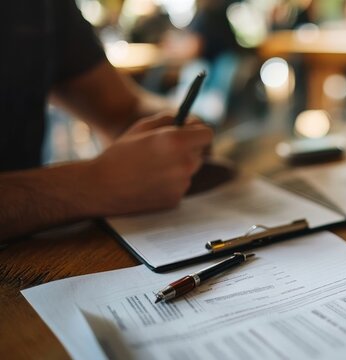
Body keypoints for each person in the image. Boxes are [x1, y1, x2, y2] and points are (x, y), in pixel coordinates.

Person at [0, 1, 214, 239]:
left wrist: (176, 127)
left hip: (33, 249)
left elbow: (123, 110)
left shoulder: (45, 8)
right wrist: (92, 185)